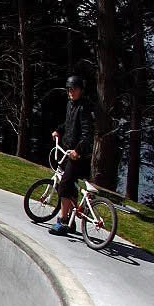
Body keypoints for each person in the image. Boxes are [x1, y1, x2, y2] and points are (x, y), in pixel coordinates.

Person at [49, 75, 95, 236]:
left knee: (65, 185)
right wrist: (58, 130)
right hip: (68, 151)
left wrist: (78, 150)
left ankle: (62, 221)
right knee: (68, 184)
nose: (71, 92)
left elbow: (87, 134)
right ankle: (71, 220)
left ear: (81, 90)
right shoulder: (71, 104)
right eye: (69, 89)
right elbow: (68, 125)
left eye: (74, 89)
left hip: (79, 155)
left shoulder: (84, 107)